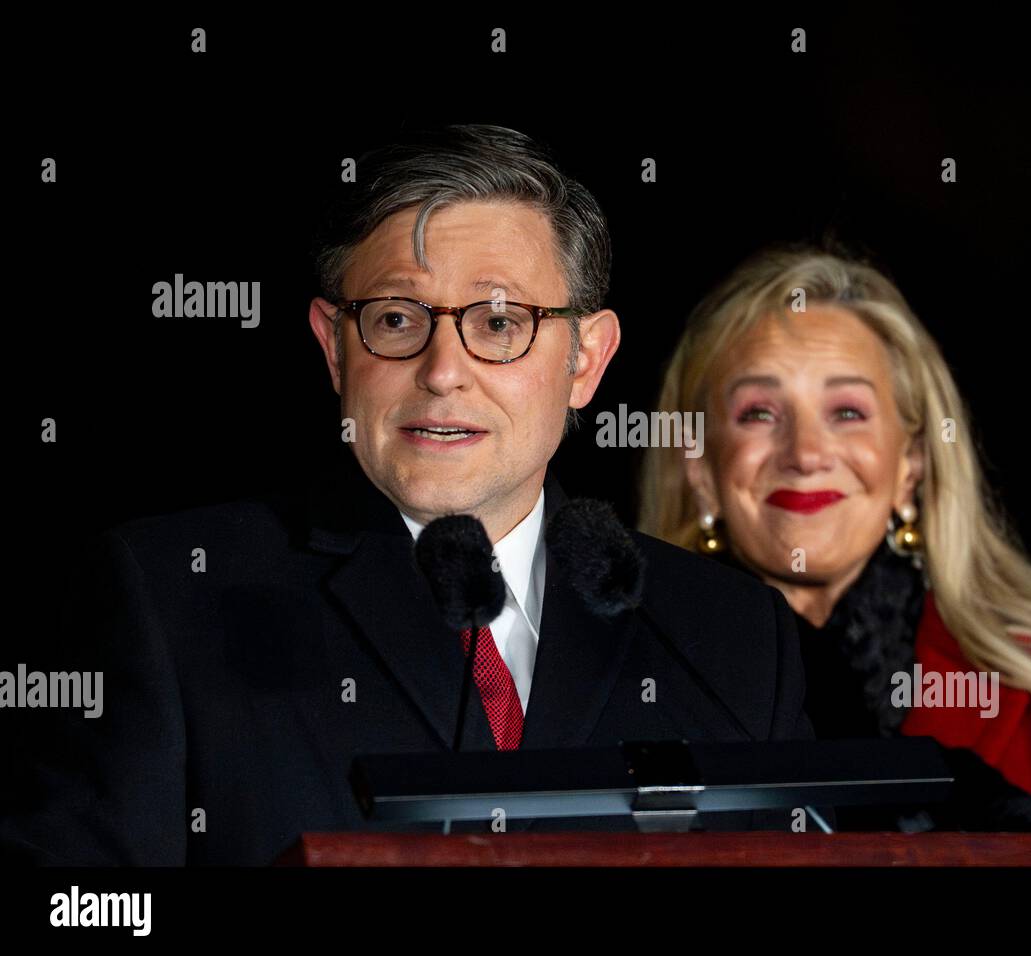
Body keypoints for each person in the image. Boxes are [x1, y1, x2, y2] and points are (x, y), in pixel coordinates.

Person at [1, 126, 818, 866]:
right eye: (396, 319)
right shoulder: (173, 595)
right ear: (333, 348)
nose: (442, 370)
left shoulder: (734, 638)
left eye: (499, 324)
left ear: (587, 361)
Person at [639, 242, 1031, 833]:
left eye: (847, 411)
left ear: (910, 464)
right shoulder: (613, 684)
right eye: (758, 413)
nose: (804, 454)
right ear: (700, 470)